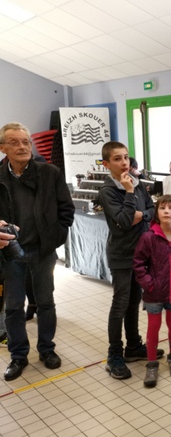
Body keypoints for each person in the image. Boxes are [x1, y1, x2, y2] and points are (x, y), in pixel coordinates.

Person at [0, 122, 75, 381]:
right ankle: (18, 355)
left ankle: (46, 349)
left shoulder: (50, 173)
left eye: (25, 142)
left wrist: (55, 238)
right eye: (14, 142)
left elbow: (66, 210)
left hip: (43, 251)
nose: (22, 147)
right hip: (10, 254)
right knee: (13, 308)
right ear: (3, 148)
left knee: (45, 303)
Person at [99, 141, 163, 380]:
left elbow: (152, 211)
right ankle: (114, 355)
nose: (124, 162)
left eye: (126, 157)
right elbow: (125, 221)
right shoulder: (108, 191)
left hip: (141, 253)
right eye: (117, 159)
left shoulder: (137, 183)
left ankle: (133, 346)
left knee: (134, 300)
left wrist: (140, 215)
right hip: (121, 255)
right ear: (107, 164)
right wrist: (127, 193)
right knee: (121, 303)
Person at [133, 195, 171, 388]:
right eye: (162, 208)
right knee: (153, 327)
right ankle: (152, 364)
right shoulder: (148, 237)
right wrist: (149, 284)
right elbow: (138, 264)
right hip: (154, 294)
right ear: (157, 213)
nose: (167, 211)